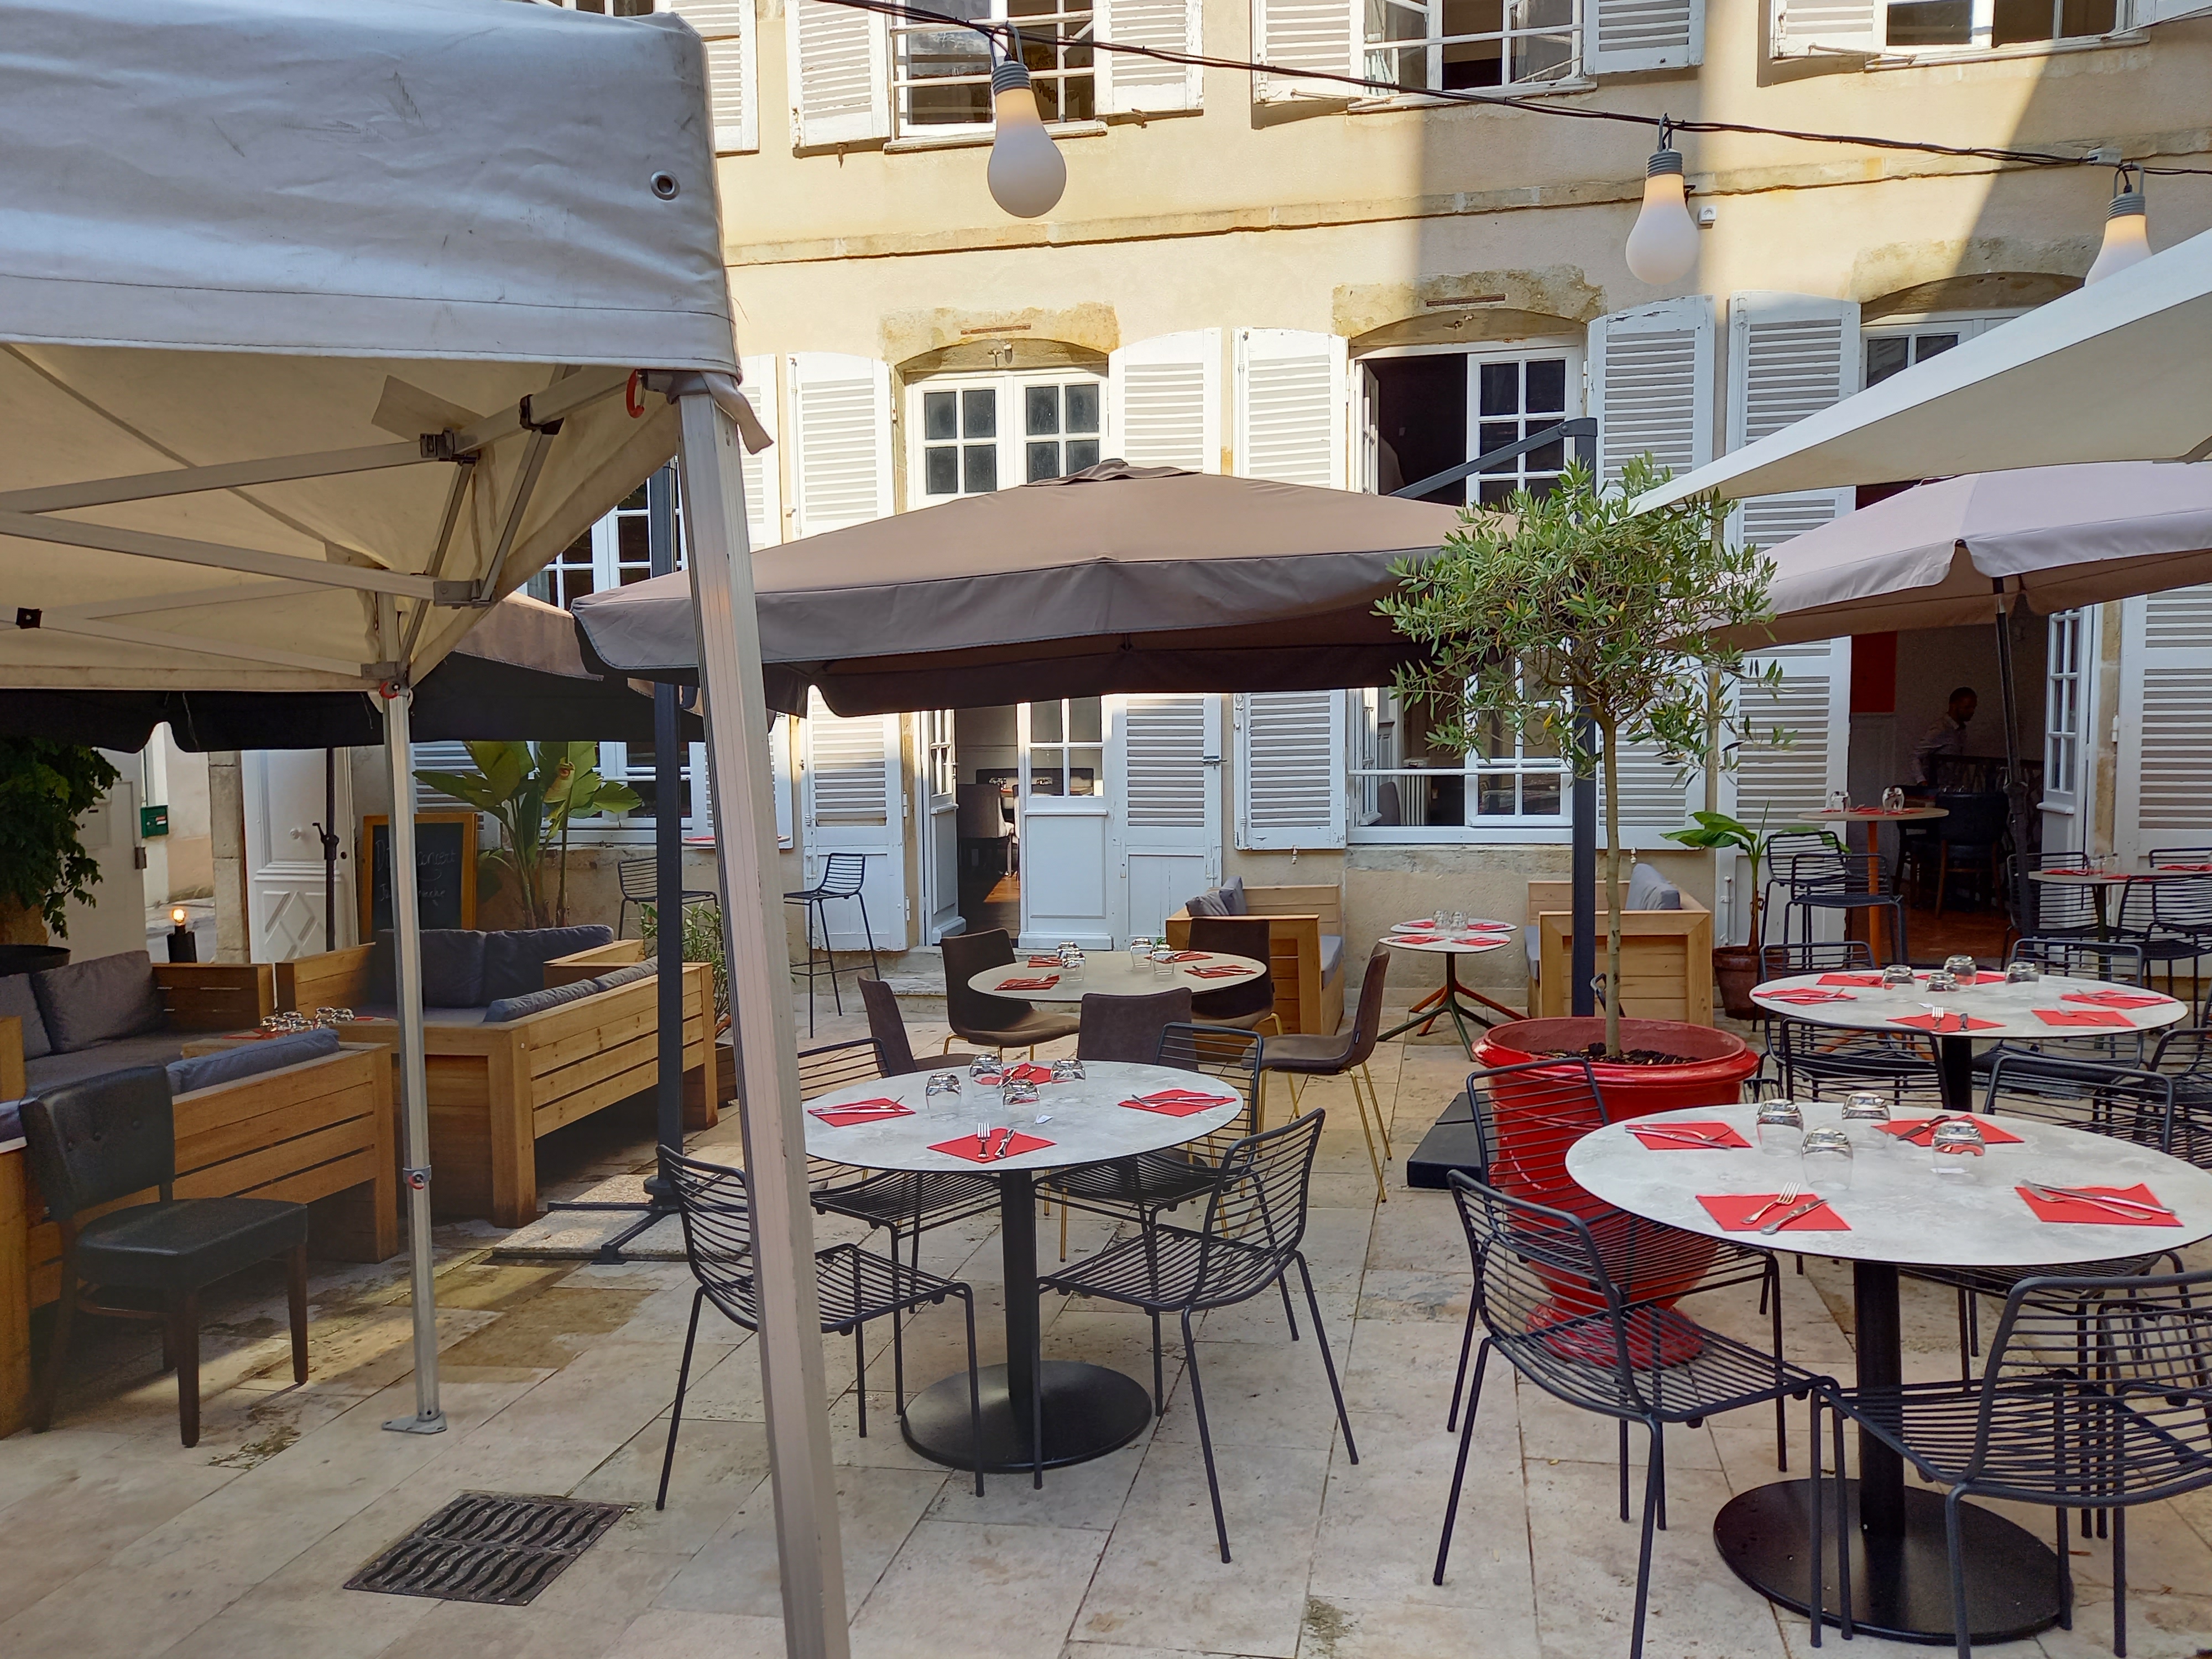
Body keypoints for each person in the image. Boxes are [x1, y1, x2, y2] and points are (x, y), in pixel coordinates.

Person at [1913, 686, 1978, 782]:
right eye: (1967, 707)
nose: (1972, 711)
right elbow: (1916, 756)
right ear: (1954, 706)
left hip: (1952, 785)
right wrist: (1922, 781)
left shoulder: (1961, 730)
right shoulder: (1941, 729)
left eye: (1974, 708)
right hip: (1938, 786)